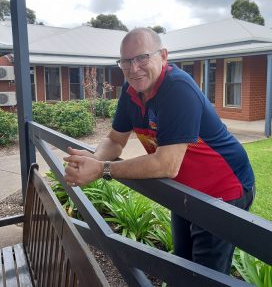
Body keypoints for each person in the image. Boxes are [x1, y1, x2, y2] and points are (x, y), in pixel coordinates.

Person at [64, 27, 255, 275]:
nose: (134, 68)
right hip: (186, 190)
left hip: (224, 189)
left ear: (163, 56)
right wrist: (94, 157)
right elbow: (115, 139)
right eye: (126, 61)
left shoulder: (178, 89)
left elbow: (166, 164)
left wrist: (102, 169)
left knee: (207, 274)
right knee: (183, 265)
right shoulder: (131, 90)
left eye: (142, 58)